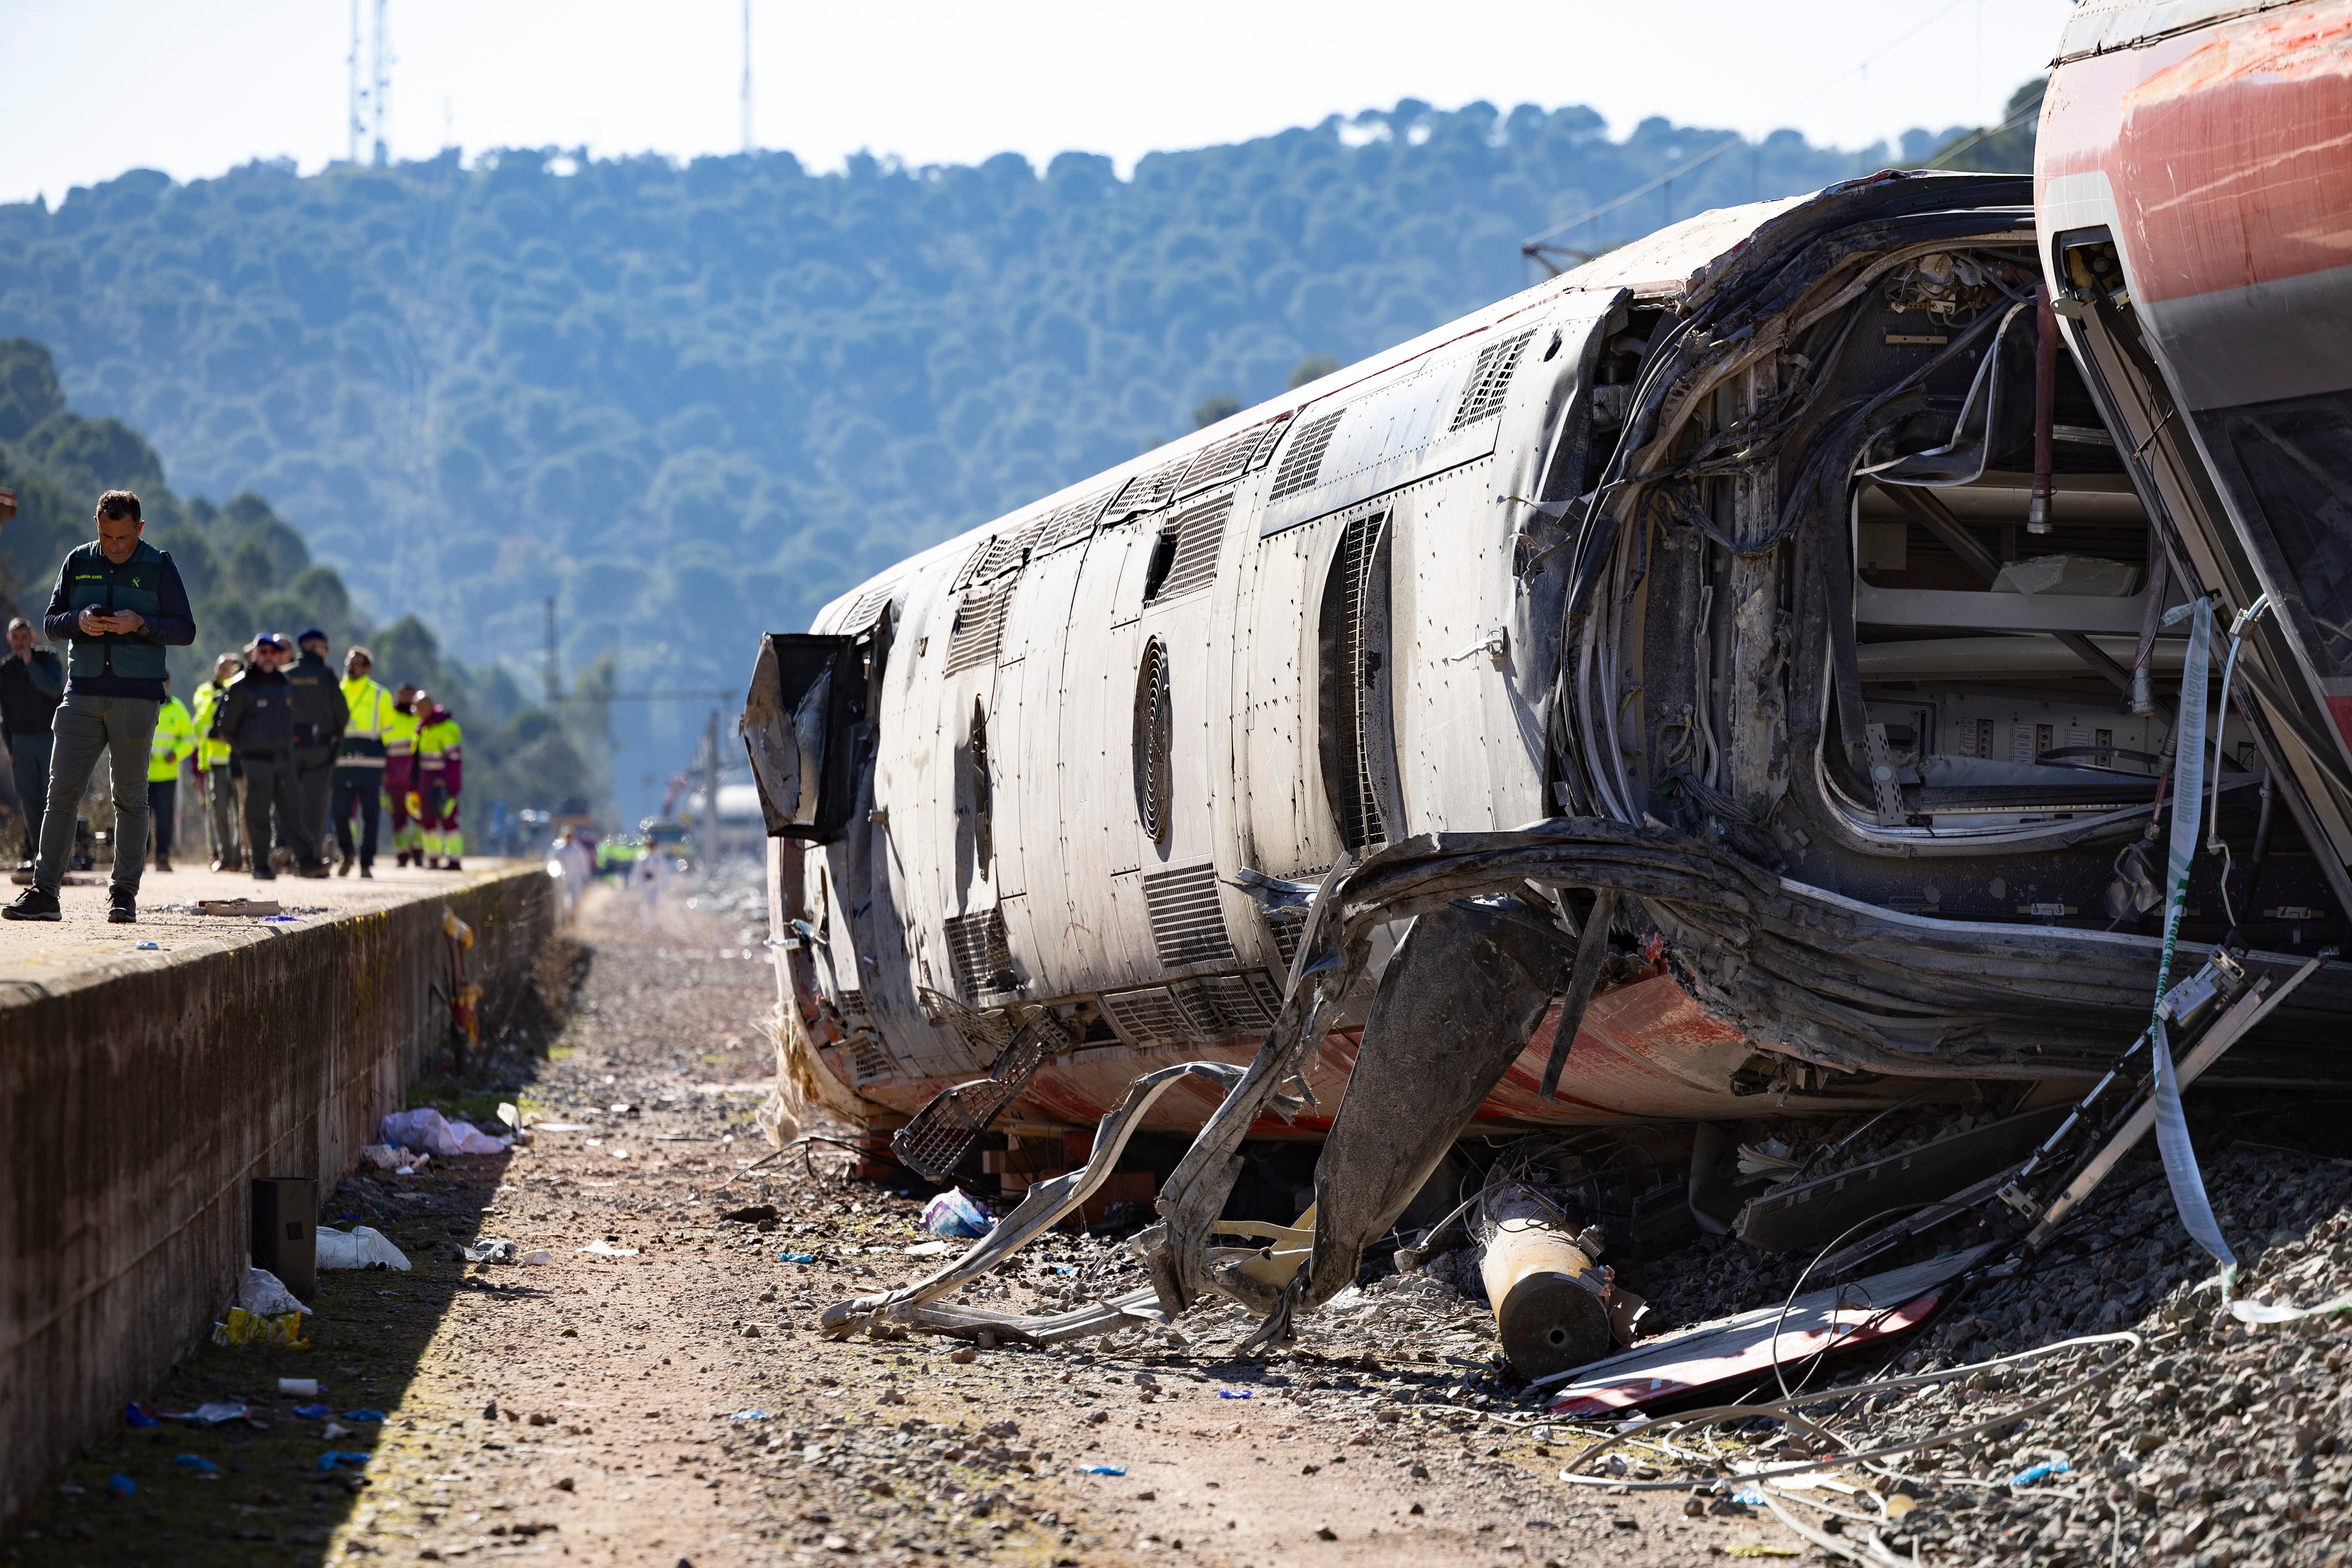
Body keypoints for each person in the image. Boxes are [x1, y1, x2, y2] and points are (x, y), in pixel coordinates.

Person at [2, 490, 197, 923]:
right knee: (61, 793)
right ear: (97, 525)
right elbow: (51, 623)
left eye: (124, 538)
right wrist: (79, 621)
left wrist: (142, 624)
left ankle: (124, 894)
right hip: (82, 695)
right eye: (107, 536)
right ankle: (45, 891)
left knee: (130, 798)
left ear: (140, 529)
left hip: (136, 699)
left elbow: (185, 630)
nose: (114, 546)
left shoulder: (160, 565)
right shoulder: (77, 561)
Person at [208, 634, 299, 882]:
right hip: (255, 760)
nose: (270, 656)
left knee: (292, 808)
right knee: (257, 813)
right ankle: (259, 864)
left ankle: (305, 861)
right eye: (265, 651)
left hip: (283, 758)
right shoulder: (241, 686)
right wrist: (245, 748)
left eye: (274, 652)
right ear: (255, 655)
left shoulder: (285, 683)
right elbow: (224, 727)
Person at [0, 617, 64, 871]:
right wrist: (11, 748)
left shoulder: (48, 659)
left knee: (54, 797)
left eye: (24, 638)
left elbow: (53, 688)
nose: (20, 643)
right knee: (29, 800)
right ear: (9, 640)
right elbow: (3, 715)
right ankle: (40, 857)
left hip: (49, 738)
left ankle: (58, 856)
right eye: (15, 639)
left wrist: (30, 665)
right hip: (21, 743)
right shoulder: (4, 671)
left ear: (33, 638)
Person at [285, 627, 346, 877]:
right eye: (325, 648)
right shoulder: (327, 677)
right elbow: (341, 714)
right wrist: (336, 742)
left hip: (288, 748)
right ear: (316, 648)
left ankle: (288, 856)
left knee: (289, 805)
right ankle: (309, 860)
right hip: (319, 749)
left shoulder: (285, 674)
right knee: (315, 806)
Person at [332, 646, 395, 878]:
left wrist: (388, 766)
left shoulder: (381, 695)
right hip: (342, 763)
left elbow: (388, 736)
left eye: (357, 663)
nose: (351, 666)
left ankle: (367, 862)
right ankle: (347, 853)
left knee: (371, 815)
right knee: (340, 814)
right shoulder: (336, 691)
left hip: (371, 765)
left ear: (368, 668)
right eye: (349, 662)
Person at [189, 652, 244, 871]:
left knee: (241, 811)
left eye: (228, 667)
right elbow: (201, 722)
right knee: (219, 810)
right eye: (221, 667)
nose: (222, 671)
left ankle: (241, 857)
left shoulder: (242, 689)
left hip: (238, 760)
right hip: (217, 762)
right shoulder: (205, 692)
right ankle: (226, 856)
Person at [145, 688, 196, 873]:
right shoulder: (141, 705)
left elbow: (190, 740)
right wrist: (140, 752)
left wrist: (176, 754)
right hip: (143, 774)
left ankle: (162, 858)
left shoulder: (178, 709)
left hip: (167, 776)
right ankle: (141, 859)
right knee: (141, 818)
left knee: (165, 818)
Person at [414, 692, 464, 870]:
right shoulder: (423, 728)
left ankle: (455, 859)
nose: (419, 711)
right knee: (428, 820)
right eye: (417, 708)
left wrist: (446, 779)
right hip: (426, 781)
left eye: (422, 707)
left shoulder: (445, 727)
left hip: (444, 783)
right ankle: (433, 857)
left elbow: (454, 758)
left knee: (449, 819)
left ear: (431, 706)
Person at [384, 682, 421, 867]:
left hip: (416, 779)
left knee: (420, 817)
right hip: (394, 779)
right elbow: (382, 747)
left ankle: (419, 852)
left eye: (410, 695)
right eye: (403, 694)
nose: (406, 698)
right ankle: (402, 854)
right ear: (397, 696)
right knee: (398, 819)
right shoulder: (389, 717)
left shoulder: (421, 720)